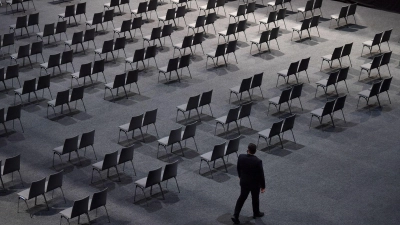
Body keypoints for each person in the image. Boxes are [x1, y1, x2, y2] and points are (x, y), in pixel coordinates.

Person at [232, 143, 265, 224]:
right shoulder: (258, 161)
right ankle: (256, 213)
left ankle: (235, 215)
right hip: (254, 183)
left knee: (242, 198)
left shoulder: (241, 157)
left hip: (244, 182)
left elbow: (238, 167)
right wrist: (263, 186)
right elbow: (261, 175)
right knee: (255, 198)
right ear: (255, 151)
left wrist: (240, 176)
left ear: (248, 149)